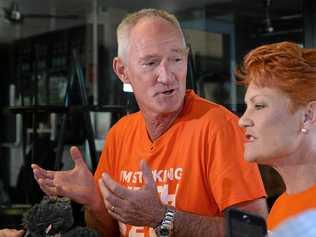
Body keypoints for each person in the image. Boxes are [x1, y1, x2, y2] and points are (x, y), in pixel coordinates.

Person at [32, 9, 267, 237]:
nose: (167, 76)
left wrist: (161, 217)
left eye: (176, 59)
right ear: (122, 71)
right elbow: (107, 231)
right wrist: (94, 200)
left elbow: (254, 231)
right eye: (151, 63)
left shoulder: (219, 127)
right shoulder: (120, 134)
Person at [237, 41, 316, 230]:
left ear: (308, 116)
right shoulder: (282, 206)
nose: (243, 120)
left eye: (259, 106)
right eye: (247, 107)